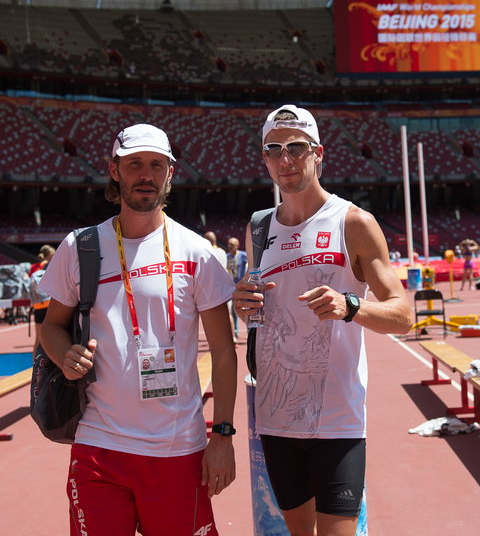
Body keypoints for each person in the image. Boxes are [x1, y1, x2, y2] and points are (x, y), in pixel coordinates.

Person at [39, 123, 238, 536]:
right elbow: (51, 327)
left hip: (177, 449)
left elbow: (223, 351)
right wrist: (64, 355)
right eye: (134, 164)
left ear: (170, 172)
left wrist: (222, 436)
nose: (145, 174)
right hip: (99, 446)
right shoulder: (81, 247)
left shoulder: (197, 252)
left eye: (155, 164)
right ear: (115, 170)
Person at [233, 105, 413, 536]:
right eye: (273, 149)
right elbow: (258, 310)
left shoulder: (352, 222)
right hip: (276, 414)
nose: (285, 159)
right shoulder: (259, 228)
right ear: (265, 158)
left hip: (336, 418)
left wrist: (351, 306)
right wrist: (243, 303)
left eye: (296, 147)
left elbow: (403, 314)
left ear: (318, 153)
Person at [29, 244, 55, 353]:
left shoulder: (33, 267)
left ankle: (35, 368)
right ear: (49, 255)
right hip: (51, 304)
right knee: (55, 337)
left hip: (38, 306)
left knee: (38, 340)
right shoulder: (52, 265)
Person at [225, 236, 248, 339]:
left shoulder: (243, 255)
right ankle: (235, 333)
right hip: (231, 287)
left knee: (246, 310)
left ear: (237, 246)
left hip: (243, 287)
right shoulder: (227, 256)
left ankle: (249, 332)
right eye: (229, 244)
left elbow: (250, 267)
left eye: (232, 245)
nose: (230, 246)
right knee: (232, 311)